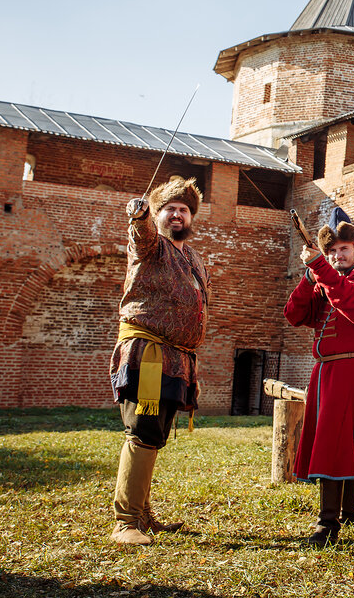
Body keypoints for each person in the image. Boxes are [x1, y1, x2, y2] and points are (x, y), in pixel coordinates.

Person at [109, 176, 210, 545]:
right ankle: (125, 523)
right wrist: (138, 216)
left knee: (156, 435)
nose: (178, 214)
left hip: (177, 358)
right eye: (170, 208)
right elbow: (141, 234)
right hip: (149, 354)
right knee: (143, 431)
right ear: (158, 213)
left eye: (184, 209)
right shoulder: (151, 245)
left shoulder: (193, 257)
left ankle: (143, 514)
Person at [284, 206, 354, 546]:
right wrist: (308, 277)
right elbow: (294, 315)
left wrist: (320, 268)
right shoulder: (327, 280)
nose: (337, 255)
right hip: (325, 370)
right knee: (337, 437)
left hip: (349, 367)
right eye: (332, 251)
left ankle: (328, 524)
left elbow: (353, 306)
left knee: (335, 439)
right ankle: (348, 512)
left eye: (344, 249)